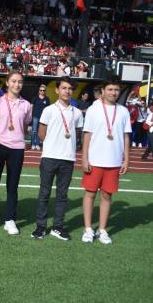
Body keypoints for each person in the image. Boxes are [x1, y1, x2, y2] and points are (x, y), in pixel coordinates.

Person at [31, 77, 84, 241]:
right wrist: (52, 143)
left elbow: (78, 132)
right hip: (49, 157)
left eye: (70, 88)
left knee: (62, 195)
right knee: (44, 194)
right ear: (57, 90)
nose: (67, 91)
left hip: (68, 158)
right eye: (64, 88)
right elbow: (41, 133)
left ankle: (57, 227)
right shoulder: (48, 110)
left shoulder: (77, 112)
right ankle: (41, 227)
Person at [81, 76, 130, 244]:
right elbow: (87, 134)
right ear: (103, 91)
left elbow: (125, 137)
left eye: (116, 90)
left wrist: (126, 159)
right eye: (110, 89)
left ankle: (102, 230)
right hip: (95, 160)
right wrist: (84, 158)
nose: (113, 92)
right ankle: (88, 229)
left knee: (107, 196)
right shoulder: (94, 110)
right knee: (90, 194)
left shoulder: (123, 111)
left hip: (114, 161)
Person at [0, 70, 31, 235]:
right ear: (7, 83)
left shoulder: (26, 105)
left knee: (13, 186)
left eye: (20, 82)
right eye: (14, 81)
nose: (17, 85)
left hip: (17, 149)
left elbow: (24, 125)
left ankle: (10, 220)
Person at [30, 84, 50, 150]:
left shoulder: (47, 99)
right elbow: (31, 107)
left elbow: (48, 109)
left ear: (45, 91)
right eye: (41, 90)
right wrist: (30, 115)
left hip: (43, 118)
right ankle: (33, 144)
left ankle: (37, 144)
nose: (42, 91)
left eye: (43, 90)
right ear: (39, 91)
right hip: (35, 116)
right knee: (34, 131)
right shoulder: (35, 98)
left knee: (39, 131)